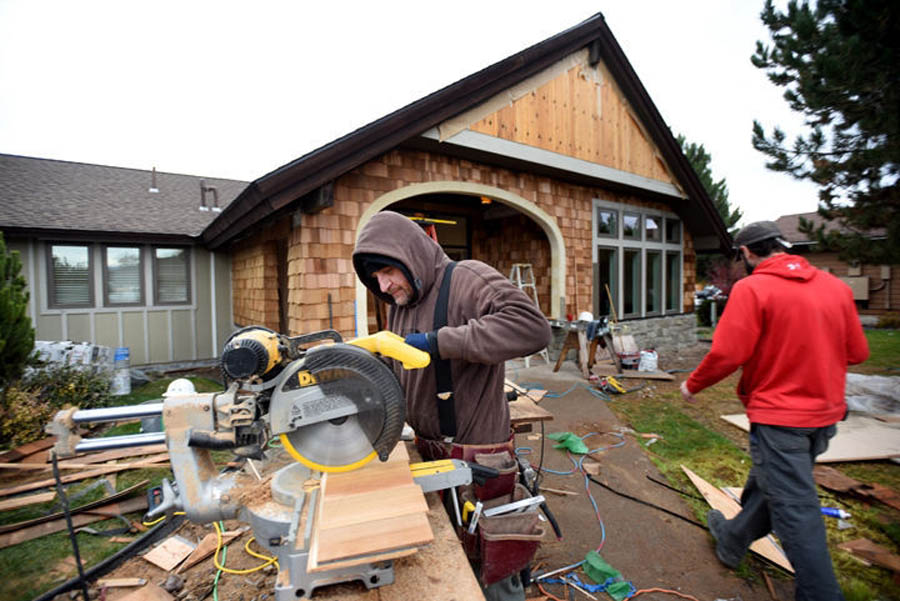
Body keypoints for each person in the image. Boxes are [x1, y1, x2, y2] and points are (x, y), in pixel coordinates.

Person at [353, 210, 551, 601]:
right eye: (374, 278)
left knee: (492, 565)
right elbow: (401, 369)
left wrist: (435, 342)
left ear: (409, 254)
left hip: (478, 458)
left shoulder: (466, 278)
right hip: (430, 451)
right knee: (449, 562)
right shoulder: (401, 301)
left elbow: (532, 327)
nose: (383, 284)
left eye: (387, 271)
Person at [680, 221, 869, 601]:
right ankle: (733, 539)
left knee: (796, 508)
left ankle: (821, 593)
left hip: (781, 419)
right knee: (776, 485)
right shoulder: (835, 286)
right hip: (826, 416)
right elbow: (858, 352)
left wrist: (692, 384)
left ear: (747, 253)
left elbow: (729, 353)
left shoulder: (752, 288)